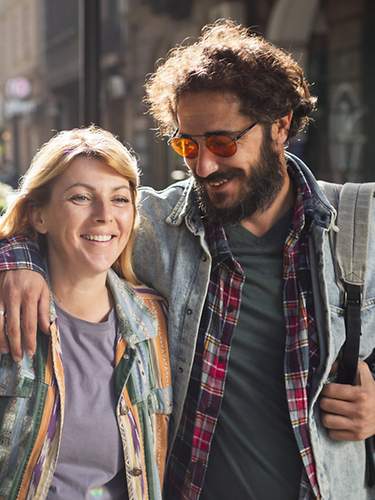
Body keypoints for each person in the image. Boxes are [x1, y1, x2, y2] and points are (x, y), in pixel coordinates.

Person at [0, 19, 375, 500]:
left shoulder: (360, 227)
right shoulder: (156, 223)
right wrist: (19, 264)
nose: (203, 166)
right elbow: (70, 224)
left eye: (222, 142)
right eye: (187, 145)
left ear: (280, 126)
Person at [0, 126, 172, 500]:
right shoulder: (6, 315)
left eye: (120, 200)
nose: (104, 216)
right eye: (81, 197)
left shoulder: (153, 321)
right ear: (39, 216)